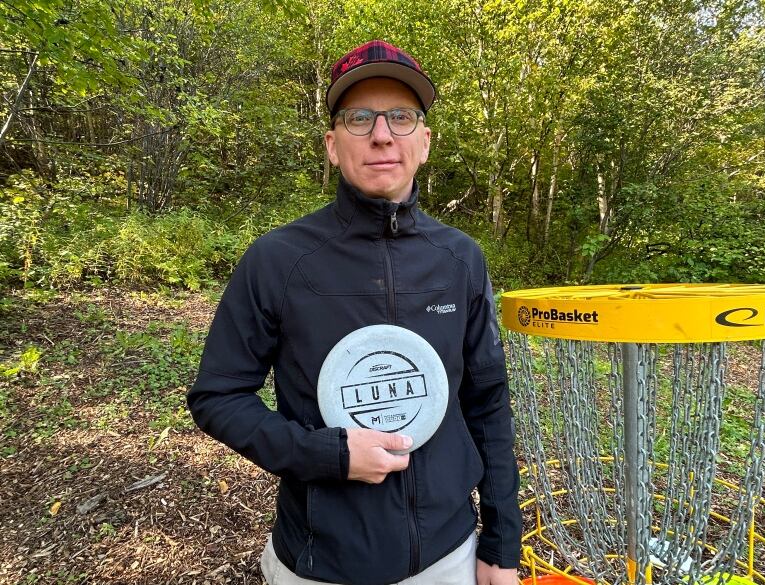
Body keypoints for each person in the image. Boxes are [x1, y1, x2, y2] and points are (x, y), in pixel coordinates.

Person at [187, 40, 521, 585]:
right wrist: (328, 455)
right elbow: (217, 396)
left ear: (426, 141)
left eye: (402, 117)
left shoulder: (460, 259)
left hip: (449, 555)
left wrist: (502, 543)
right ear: (332, 144)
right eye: (359, 117)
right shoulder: (279, 260)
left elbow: (487, 403)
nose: (382, 134)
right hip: (320, 563)